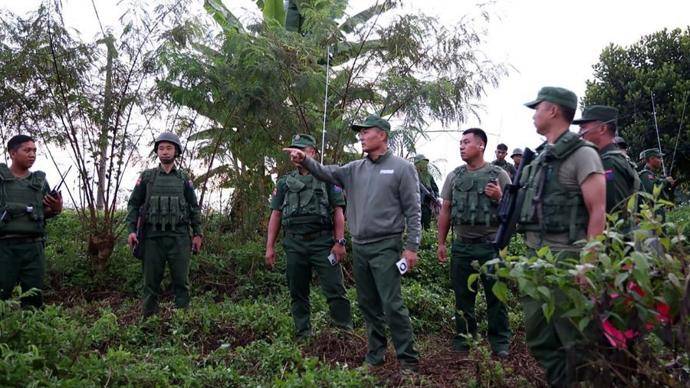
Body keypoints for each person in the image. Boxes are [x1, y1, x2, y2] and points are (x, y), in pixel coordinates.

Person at [283, 114, 421, 372]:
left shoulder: (402, 168)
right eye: (360, 132)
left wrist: (411, 247)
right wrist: (306, 159)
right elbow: (325, 172)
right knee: (368, 304)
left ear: (381, 134)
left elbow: (414, 211)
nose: (360, 136)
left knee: (392, 304)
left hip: (386, 246)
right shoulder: (354, 169)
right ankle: (375, 356)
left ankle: (408, 361)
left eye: (365, 132)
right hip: (361, 247)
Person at [519, 87, 606, 386]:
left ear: (553, 111)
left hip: (566, 257)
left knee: (573, 338)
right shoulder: (541, 157)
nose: (534, 114)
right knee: (537, 334)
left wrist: (588, 262)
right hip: (535, 257)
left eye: (538, 108)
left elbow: (598, 211)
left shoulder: (583, 155)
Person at [265, 134, 353, 339]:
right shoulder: (285, 182)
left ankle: (344, 333)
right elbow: (276, 214)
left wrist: (339, 242)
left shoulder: (327, 179)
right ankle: (303, 333)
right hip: (294, 243)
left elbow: (338, 211)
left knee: (334, 289)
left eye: (301, 150)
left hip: (322, 242)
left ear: (312, 152)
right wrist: (269, 247)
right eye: (293, 149)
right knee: (297, 291)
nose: (296, 153)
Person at [437, 128, 511, 357]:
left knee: (496, 297)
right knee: (462, 296)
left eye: (466, 142)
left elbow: (513, 212)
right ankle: (464, 339)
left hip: (490, 245)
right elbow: (446, 210)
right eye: (460, 142)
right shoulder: (454, 176)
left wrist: (500, 197)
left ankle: (499, 342)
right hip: (461, 246)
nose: (461, 146)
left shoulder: (499, 175)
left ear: (481, 146)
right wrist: (441, 242)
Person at [126, 132, 203, 317]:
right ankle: (148, 324)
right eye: (161, 148)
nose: (165, 152)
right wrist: (131, 231)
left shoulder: (184, 178)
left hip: (179, 238)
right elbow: (134, 204)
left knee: (181, 283)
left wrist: (197, 233)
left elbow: (193, 207)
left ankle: (182, 324)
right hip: (152, 238)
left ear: (176, 151)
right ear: (157, 152)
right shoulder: (147, 177)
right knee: (150, 284)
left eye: (169, 148)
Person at [0, 135, 63, 308]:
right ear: (13, 153)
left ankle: (31, 333)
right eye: (27, 150)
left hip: (33, 247)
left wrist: (56, 207)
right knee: (1, 295)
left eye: (34, 150)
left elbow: (46, 212)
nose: (32, 154)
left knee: (33, 298)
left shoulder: (40, 182)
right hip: (5, 247)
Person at [574, 105, 640, 212]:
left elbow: (613, 213)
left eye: (583, 127)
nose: (580, 133)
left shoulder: (608, 163)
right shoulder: (613, 159)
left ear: (602, 128)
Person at [413, 154, 439, 230]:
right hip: (415, 206)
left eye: (424, 163)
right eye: (421, 163)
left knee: (427, 227)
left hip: (426, 205)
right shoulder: (412, 174)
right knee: (416, 227)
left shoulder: (429, 176)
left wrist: (435, 197)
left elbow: (435, 188)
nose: (423, 165)